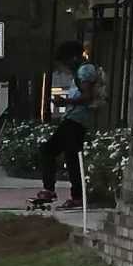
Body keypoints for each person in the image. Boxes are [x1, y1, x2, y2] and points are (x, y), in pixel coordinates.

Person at [33, 40, 98, 210]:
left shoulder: (85, 70)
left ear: (74, 57)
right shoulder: (81, 71)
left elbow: (87, 96)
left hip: (76, 121)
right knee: (70, 157)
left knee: (50, 150)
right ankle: (73, 195)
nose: (66, 67)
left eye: (65, 61)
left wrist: (65, 100)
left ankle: (53, 191)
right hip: (75, 119)